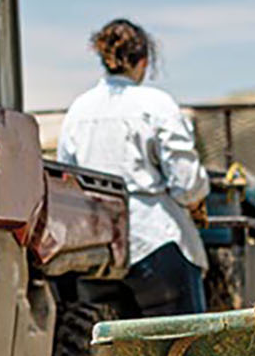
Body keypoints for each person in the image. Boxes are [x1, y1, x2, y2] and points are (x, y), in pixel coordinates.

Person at [57, 19, 211, 316]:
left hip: (99, 249)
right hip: (155, 242)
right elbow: (186, 180)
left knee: (115, 354)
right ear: (143, 61)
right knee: (182, 350)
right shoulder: (156, 104)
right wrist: (195, 200)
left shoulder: (78, 110)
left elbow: (68, 179)